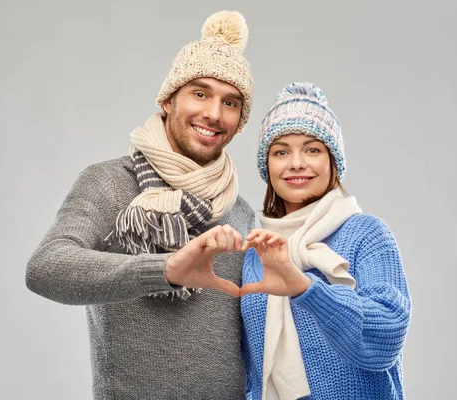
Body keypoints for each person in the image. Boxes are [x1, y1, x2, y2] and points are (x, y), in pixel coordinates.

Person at [26, 10, 255, 399]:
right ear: (168, 99)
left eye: (231, 103)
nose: (214, 114)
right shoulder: (110, 182)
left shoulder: (240, 210)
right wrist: (165, 268)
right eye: (200, 93)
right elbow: (46, 267)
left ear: (239, 120)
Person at [240, 83, 412, 399]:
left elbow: (386, 335)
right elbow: (246, 364)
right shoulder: (255, 251)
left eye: (312, 149)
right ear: (268, 166)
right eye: (281, 151)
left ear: (333, 161)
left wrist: (305, 288)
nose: (296, 163)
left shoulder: (366, 234)